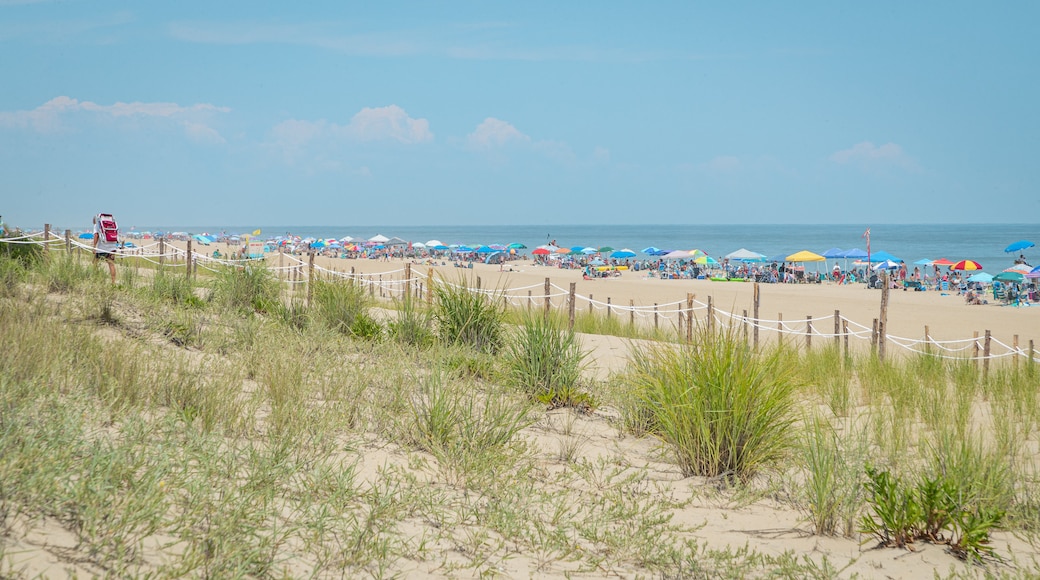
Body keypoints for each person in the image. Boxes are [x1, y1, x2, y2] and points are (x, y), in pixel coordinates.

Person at [92, 214, 117, 283]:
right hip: (112, 246)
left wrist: (94, 247)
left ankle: (95, 278)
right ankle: (113, 282)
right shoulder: (111, 224)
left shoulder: (96, 225)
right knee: (111, 264)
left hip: (102, 248)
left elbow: (96, 235)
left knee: (95, 262)